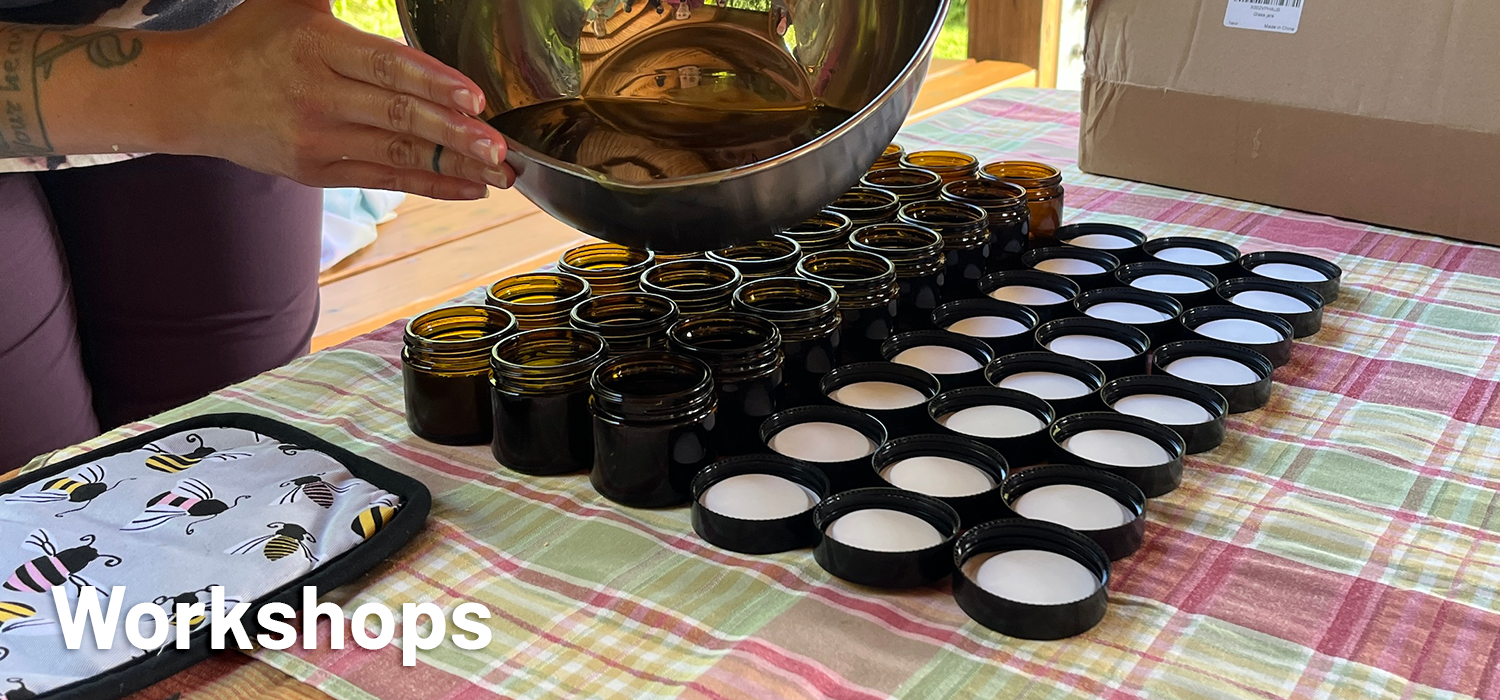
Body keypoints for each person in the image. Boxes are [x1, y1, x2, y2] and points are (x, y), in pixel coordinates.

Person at [0, 0, 514, 467]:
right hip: (187, 69)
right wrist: (199, 84)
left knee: (239, 448)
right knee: (36, 483)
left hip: (212, 24)